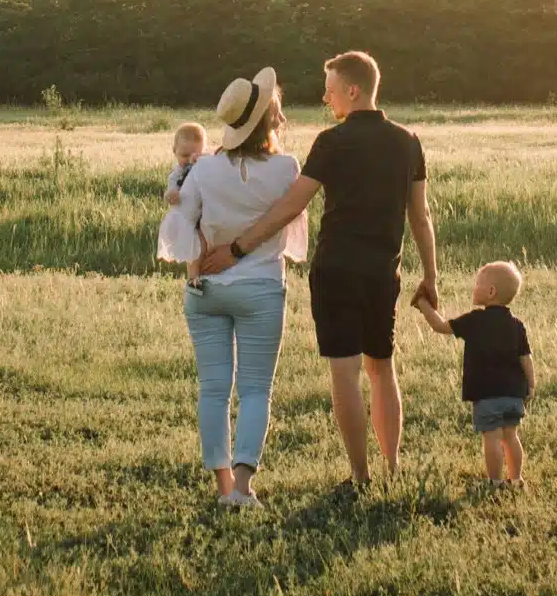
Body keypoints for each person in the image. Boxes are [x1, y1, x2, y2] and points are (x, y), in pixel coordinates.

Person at [200, 51, 438, 489]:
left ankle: (360, 477)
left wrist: (238, 247)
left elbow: (292, 205)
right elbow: (420, 217)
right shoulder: (409, 140)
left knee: (344, 372)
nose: (326, 98)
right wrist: (431, 275)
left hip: (336, 272)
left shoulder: (331, 142)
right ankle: (392, 470)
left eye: (330, 90)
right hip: (384, 273)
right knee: (382, 368)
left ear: (353, 89)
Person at [161, 67, 307, 508]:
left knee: (213, 388)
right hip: (261, 286)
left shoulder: (203, 170)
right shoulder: (287, 168)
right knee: (256, 388)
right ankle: (243, 490)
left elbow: (180, 224)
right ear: (269, 120)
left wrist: (199, 256)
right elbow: (291, 223)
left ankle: (222, 488)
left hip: (206, 288)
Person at [413, 261, 534, 487]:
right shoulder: (517, 325)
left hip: (487, 395)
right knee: (511, 436)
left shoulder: (475, 320)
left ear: (491, 292)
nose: (474, 286)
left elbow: (440, 326)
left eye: (478, 283)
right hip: (513, 394)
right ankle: (516, 480)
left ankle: (495, 482)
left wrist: (422, 304)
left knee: (492, 438)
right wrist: (532, 385)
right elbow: (526, 357)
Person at [157, 121, 208, 283]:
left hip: (206, 213)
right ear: (175, 151)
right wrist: (171, 195)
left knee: (208, 246)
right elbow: (170, 191)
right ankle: (193, 278)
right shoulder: (176, 174)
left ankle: (208, 274)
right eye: (185, 155)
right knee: (193, 248)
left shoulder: (205, 164)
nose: (190, 160)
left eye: (196, 154)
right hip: (188, 216)